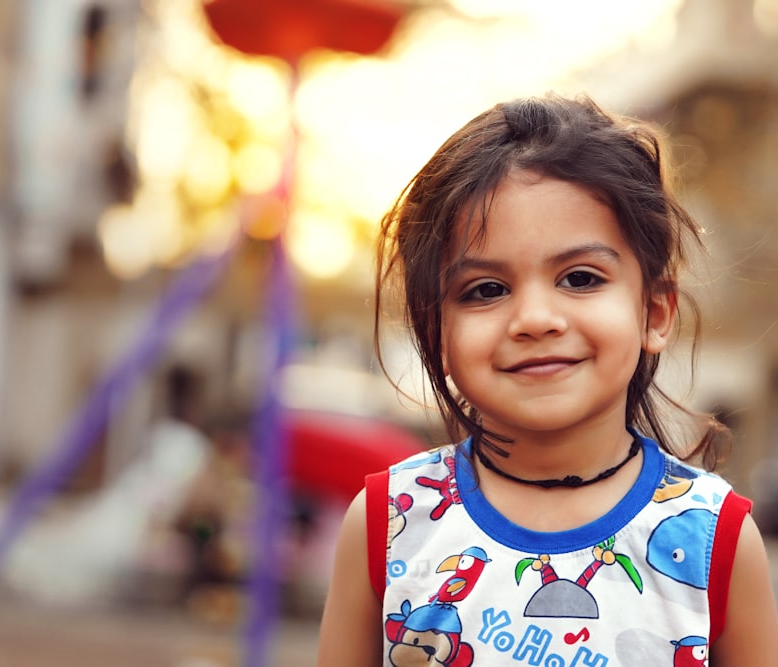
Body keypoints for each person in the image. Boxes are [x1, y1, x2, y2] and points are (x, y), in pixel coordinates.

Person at [316, 94, 778, 666]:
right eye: (485, 290)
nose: (535, 319)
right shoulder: (389, 520)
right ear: (436, 331)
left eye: (580, 278)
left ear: (655, 311)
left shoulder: (715, 541)